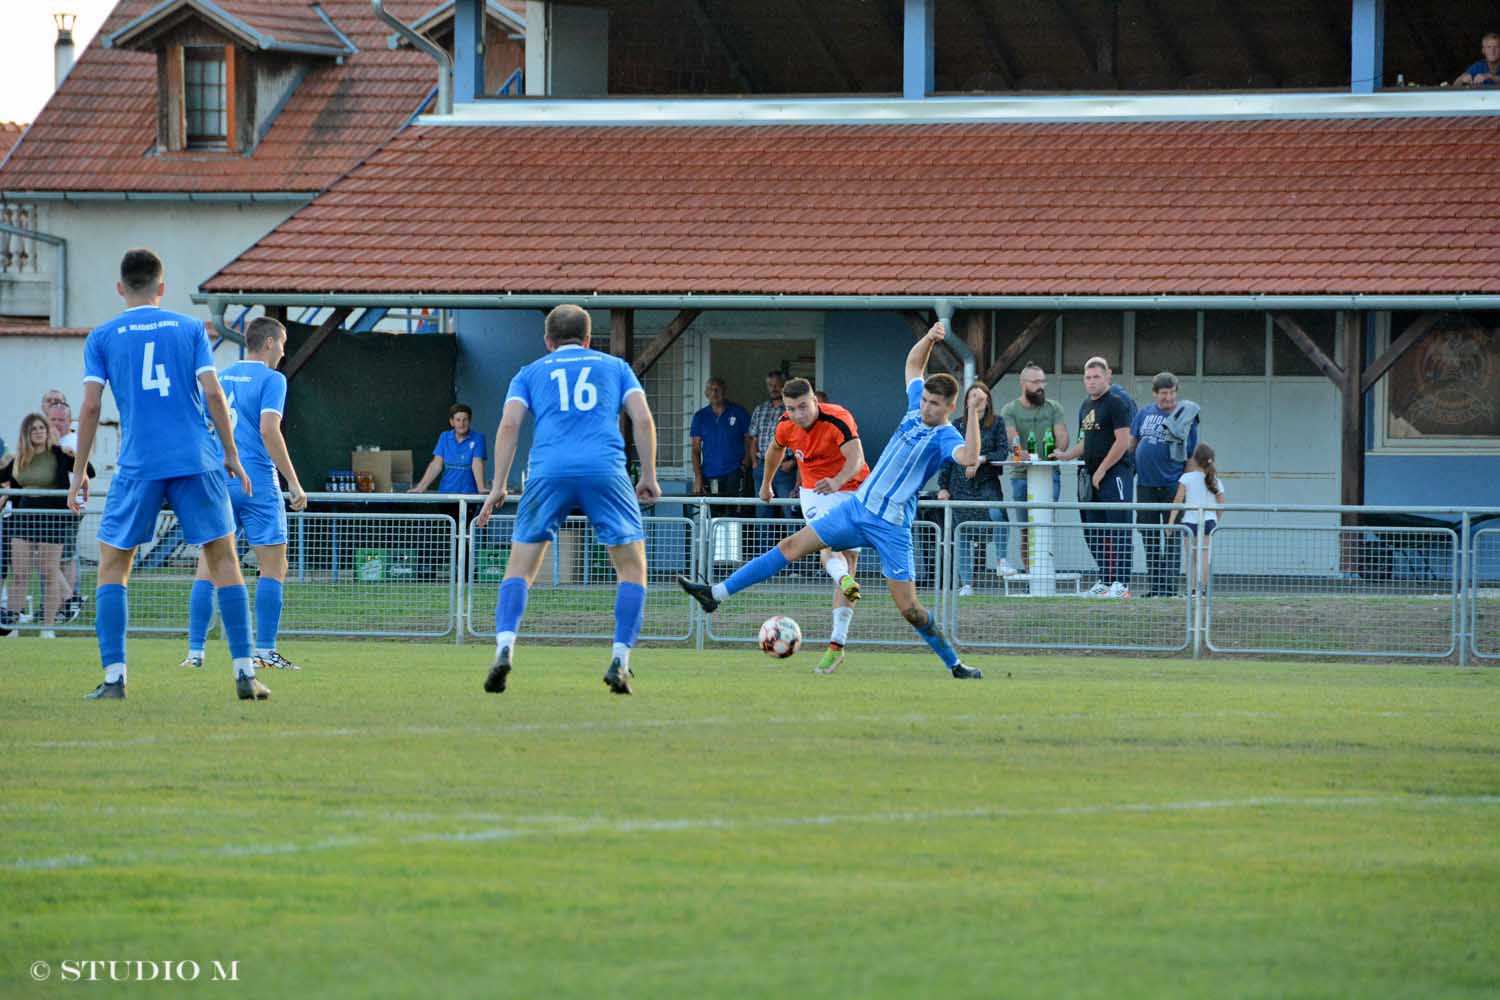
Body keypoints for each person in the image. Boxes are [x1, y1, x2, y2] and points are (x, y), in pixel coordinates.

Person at [678, 321, 986, 680]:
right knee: (792, 545)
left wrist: (975, 415)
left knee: (911, 609)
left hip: (892, 527)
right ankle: (715, 593)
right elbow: (914, 366)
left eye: (934, 404)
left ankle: (955, 664)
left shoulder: (945, 434)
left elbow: (967, 458)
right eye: (924, 400)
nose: (925, 406)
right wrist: (930, 338)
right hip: (856, 510)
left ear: (950, 407)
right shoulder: (913, 409)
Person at [66, 248, 269, 702]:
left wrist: (79, 473)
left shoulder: (101, 337)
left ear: (121, 288)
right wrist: (231, 454)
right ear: (162, 287)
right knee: (223, 560)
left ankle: (115, 678)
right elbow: (213, 393)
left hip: (139, 463)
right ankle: (244, 672)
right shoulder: (190, 328)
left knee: (114, 566)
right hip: (195, 459)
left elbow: (92, 406)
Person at [472, 304, 660, 695]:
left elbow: (509, 424)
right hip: (604, 469)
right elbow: (641, 419)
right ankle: (620, 660)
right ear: (590, 339)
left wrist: (498, 486)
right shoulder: (616, 367)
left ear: (547, 341)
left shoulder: (529, 373)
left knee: (520, 569)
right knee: (631, 569)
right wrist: (648, 475)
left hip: (548, 469)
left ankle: (504, 648)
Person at [182, 317, 309, 673]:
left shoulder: (219, 377)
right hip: (258, 483)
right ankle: (266, 651)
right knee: (273, 566)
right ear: (268, 343)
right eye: (282, 343)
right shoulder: (272, 380)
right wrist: (295, 483)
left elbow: (202, 426)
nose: (284, 351)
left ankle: (195, 653)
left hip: (220, 481)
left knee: (207, 567)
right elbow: (270, 431)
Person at [762, 376, 868, 673]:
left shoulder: (838, 418)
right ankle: (842, 579)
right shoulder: (785, 425)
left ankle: (837, 644)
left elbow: (856, 459)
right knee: (826, 541)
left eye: (803, 407)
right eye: (791, 408)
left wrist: (836, 481)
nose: (798, 414)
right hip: (814, 492)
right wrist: (766, 484)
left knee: (848, 560)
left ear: (815, 402)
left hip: (853, 488)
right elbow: (774, 450)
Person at [0, 412, 90, 638]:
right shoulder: (19, 458)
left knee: (49, 572)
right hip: (24, 516)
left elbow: (89, 472)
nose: (38, 432)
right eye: (33, 429)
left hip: (52, 517)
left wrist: (77, 457)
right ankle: (12, 624)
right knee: (19, 573)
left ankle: (47, 627)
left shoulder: (59, 454)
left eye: (42, 428)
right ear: (26, 434)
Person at [1054, 356, 1134, 597]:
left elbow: (1123, 442)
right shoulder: (1086, 406)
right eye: (1087, 377)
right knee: (1094, 529)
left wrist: (1102, 470)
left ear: (1108, 375)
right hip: (1089, 477)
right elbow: (1085, 442)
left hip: (1115, 474)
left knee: (1119, 526)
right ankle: (1105, 580)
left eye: (1096, 376)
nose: (1091, 382)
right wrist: (1066, 456)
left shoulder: (1117, 403)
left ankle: (1122, 584)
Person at [1131, 372, 1199, 597]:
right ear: (1155, 393)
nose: (1168, 398)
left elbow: (1190, 455)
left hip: (1172, 486)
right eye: (1163, 393)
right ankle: (1155, 587)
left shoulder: (1185, 416)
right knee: (1150, 537)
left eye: (1171, 393)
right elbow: (1134, 442)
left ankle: (1169, 589)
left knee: (1172, 537)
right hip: (1146, 485)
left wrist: (1184, 485)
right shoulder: (1144, 413)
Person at [938, 382, 1008, 596]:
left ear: (987, 401)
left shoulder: (996, 423)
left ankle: (1001, 560)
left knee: (998, 514)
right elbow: (947, 459)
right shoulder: (956, 426)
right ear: (966, 401)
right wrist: (943, 487)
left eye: (981, 397)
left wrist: (981, 458)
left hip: (986, 483)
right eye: (972, 397)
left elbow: (1003, 452)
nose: (976, 401)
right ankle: (966, 583)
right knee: (963, 534)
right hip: (960, 485)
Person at [998, 364, 1069, 576]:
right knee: (1026, 529)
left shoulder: (1053, 407)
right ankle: (1031, 574)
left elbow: (1062, 434)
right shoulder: (1010, 409)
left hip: (1049, 473)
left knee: (1045, 523)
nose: (1040, 386)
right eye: (1035, 382)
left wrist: (1060, 450)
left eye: (1042, 381)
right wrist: (1020, 452)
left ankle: (1045, 570)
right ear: (1023, 384)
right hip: (1021, 475)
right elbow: (1011, 437)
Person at [43, 402, 85, 623]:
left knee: (64, 558)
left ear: (70, 421)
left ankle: (69, 600)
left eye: (61, 420)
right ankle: (64, 601)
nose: (57, 424)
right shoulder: (45, 440)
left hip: (70, 505)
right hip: (48, 506)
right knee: (52, 559)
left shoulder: (74, 442)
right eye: (53, 420)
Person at [747, 371, 798, 550]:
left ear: (784, 386)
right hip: (761, 467)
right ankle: (765, 562)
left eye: (777, 385)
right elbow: (752, 438)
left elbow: (801, 439)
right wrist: (753, 461)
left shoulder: (792, 410)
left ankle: (796, 565)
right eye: (770, 385)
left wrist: (793, 463)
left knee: (789, 512)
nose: (774, 388)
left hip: (785, 468)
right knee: (762, 514)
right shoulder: (760, 409)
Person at [1168, 443, 1225, 596]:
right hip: (1208, 521)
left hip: (1190, 522)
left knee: (1191, 559)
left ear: (1194, 460)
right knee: (1204, 558)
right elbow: (1221, 504)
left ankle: (1192, 590)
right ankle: (1203, 590)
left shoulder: (1186, 478)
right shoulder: (1215, 480)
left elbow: (1177, 501)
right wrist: (1216, 520)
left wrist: (1170, 523)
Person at [690, 377, 751, 509]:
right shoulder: (700, 416)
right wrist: (698, 477)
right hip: (710, 473)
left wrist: (745, 464)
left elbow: (749, 440)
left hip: (734, 471)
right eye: (711, 390)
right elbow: (695, 449)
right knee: (714, 513)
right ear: (706, 393)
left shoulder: (739, 412)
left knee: (734, 513)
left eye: (717, 389)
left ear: (725, 391)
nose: (714, 393)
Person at [410, 403, 487, 494]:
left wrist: (481, 488)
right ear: (452, 422)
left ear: (469, 421)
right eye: (458, 420)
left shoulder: (478, 438)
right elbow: (436, 464)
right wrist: (420, 488)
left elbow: (477, 463)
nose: (461, 424)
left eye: (465, 420)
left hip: (469, 494)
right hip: (446, 493)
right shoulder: (444, 437)